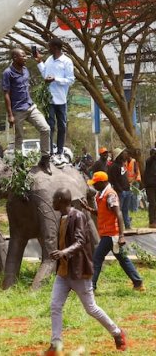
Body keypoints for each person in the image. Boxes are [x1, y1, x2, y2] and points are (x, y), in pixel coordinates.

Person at [45, 188, 126, 355]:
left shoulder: (78, 216)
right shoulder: (62, 217)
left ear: (60, 199)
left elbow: (80, 241)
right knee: (55, 306)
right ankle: (56, 344)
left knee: (91, 308)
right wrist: (58, 254)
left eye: (54, 198)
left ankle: (117, 332)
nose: (52, 201)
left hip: (78, 271)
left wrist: (64, 252)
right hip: (63, 271)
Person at [82, 171, 144, 292]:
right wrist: (87, 208)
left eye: (96, 183)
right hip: (108, 234)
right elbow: (101, 213)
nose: (94, 186)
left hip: (111, 235)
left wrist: (121, 235)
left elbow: (119, 214)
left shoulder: (110, 195)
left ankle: (91, 287)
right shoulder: (101, 194)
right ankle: (138, 282)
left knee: (97, 258)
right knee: (123, 259)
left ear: (104, 182)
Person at [1, 48, 51, 174]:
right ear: (15, 58)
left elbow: (27, 87)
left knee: (46, 128)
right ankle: (19, 164)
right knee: (19, 138)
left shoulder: (25, 70)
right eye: (23, 56)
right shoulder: (7, 73)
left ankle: (45, 159)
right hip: (17, 110)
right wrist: (10, 115)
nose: (26, 58)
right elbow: (6, 94)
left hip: (30, 106)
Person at [34, 38, 75, 165]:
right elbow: (45, 75)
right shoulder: (49, 60)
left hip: (61, 99)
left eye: (49, 46)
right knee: (50, 126)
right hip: (50, 99)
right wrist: (39, 62)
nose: (48, 48)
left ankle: (60, 152)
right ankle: (51, 152)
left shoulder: (66, 61)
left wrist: (55, 79)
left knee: (62, 126)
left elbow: (71, 80)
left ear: (56, 47)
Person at [108, 148, 132, 230]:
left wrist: (128, 188)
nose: (124, 154)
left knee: (126, 210)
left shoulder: (123, 164)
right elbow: (113, 180)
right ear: (118, 155)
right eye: (122, 153)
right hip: (120, 192)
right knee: (119, 210)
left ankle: (128, 226)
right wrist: (120, 190)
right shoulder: (113, 166)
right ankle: (118, 228)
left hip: (127, 191)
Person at [144, 148, 156, 228]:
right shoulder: (149, 161)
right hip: (150, 186)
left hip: (154, 185)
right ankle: (152, 222)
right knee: (152, 203)